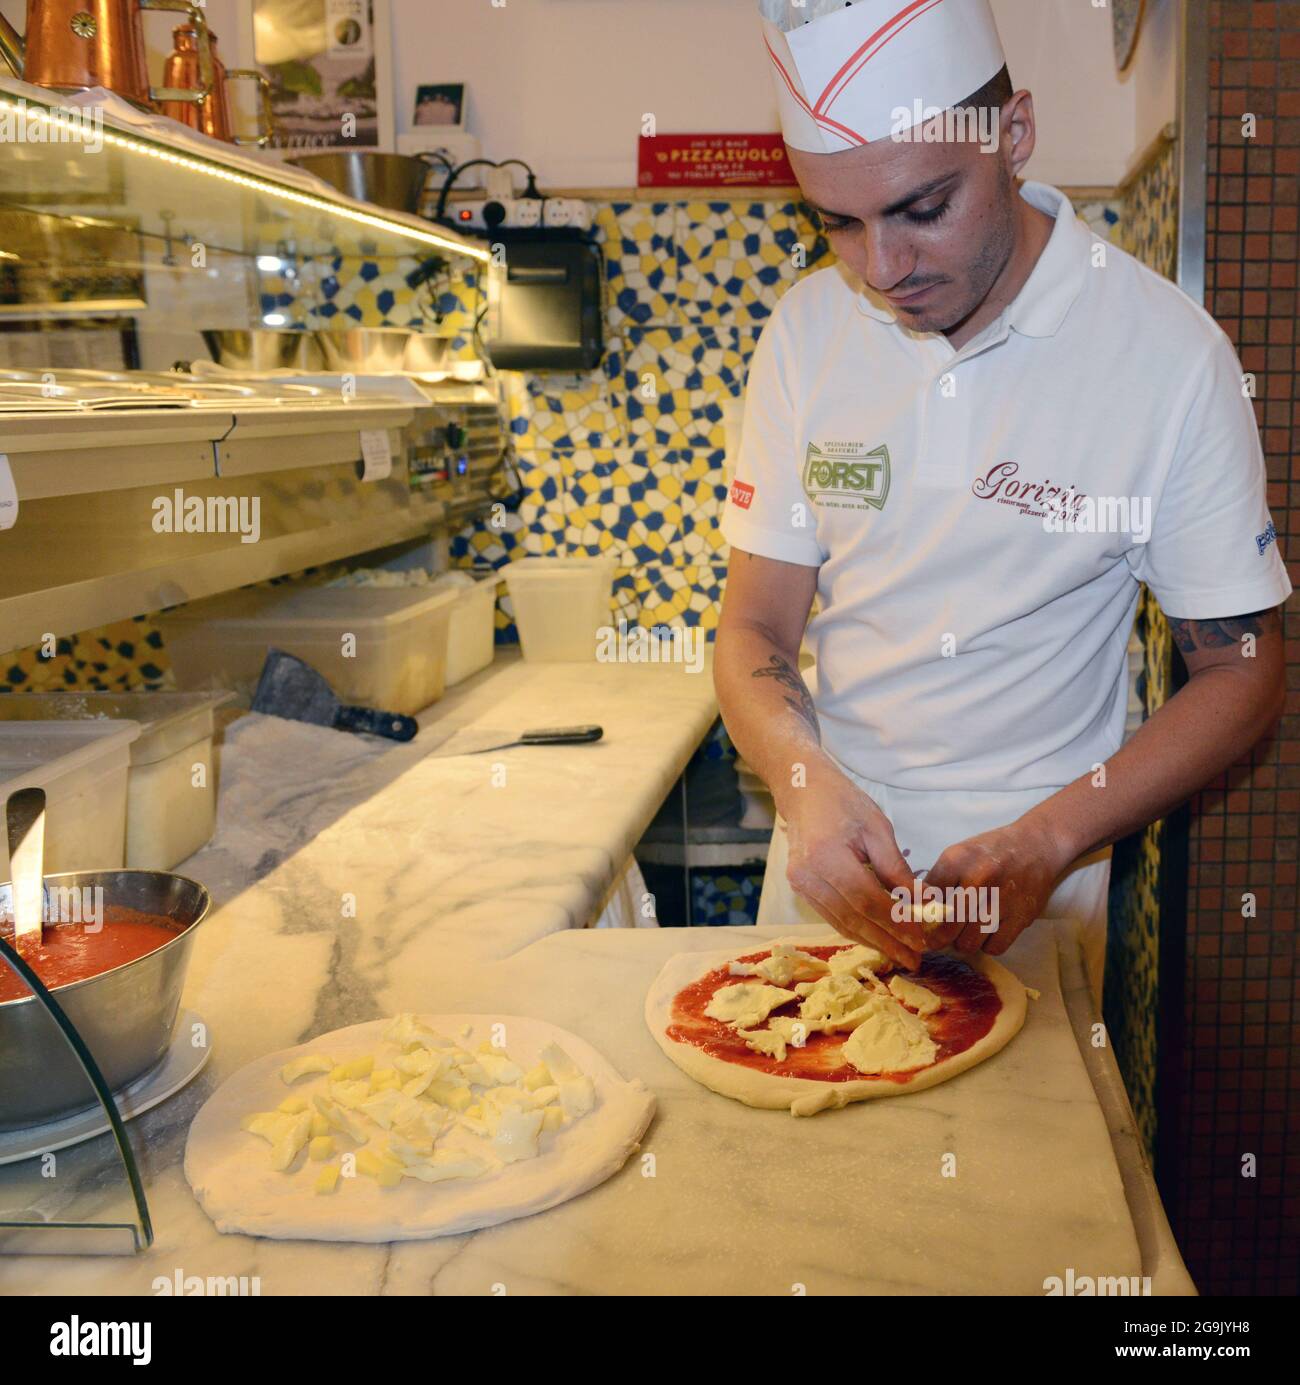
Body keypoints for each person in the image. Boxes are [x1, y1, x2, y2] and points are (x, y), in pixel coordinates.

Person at [716, 0, 1291, 1000]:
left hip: (1039, 877)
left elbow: (1241, 669)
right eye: (838, 224)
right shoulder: (807, 330)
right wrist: (803, 783)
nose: (882, 268)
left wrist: (1051, 836)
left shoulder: (1166, 355)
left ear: (1012, 136)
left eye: (922, 208)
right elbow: (753, 623)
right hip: (825, 861)